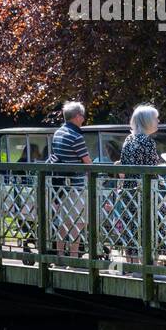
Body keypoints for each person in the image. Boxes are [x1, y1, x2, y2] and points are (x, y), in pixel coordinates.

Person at [46, 101, 91, 256]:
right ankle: (73, 258)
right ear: (77, 116)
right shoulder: (76, 136)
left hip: (61, 185)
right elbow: (88, 163)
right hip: (75, 185)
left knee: (64, 221)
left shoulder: (58, 133)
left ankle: (59, 255)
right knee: (78, 222)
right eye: (83, 116)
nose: (84, 119)